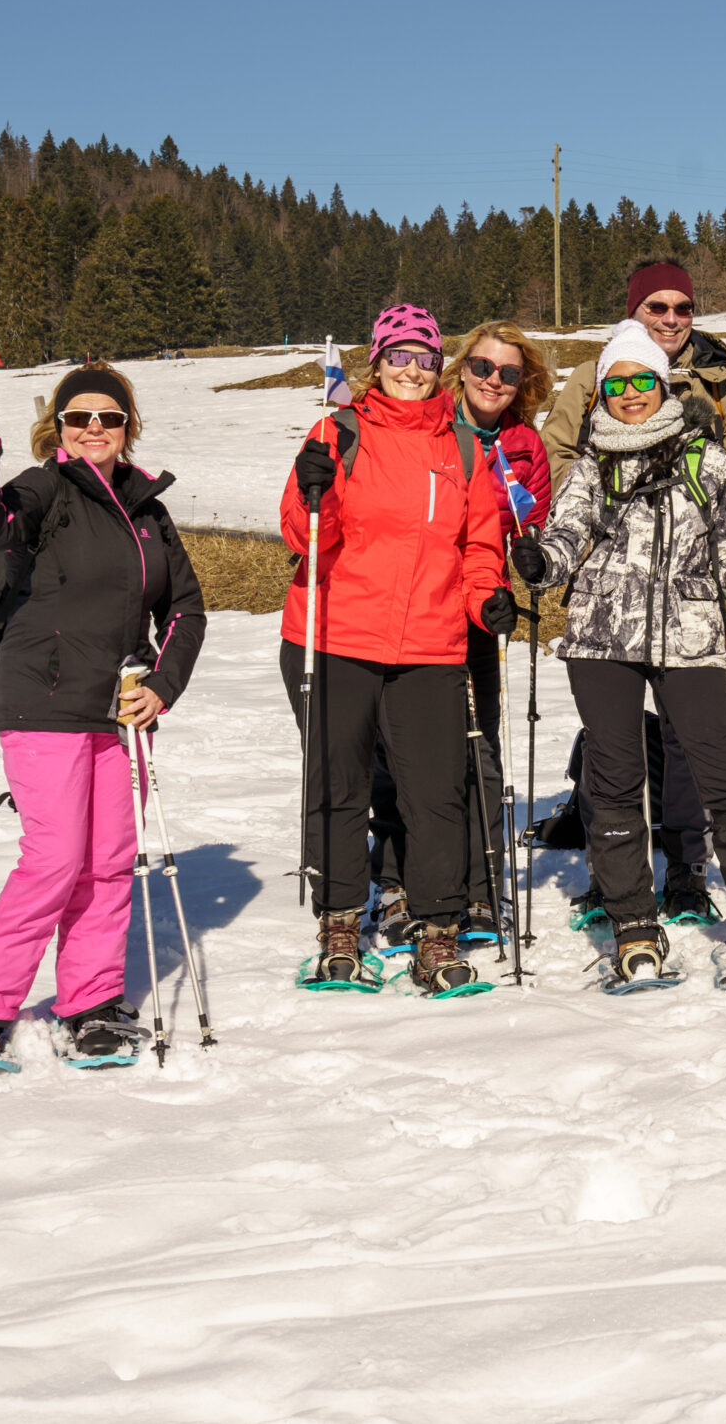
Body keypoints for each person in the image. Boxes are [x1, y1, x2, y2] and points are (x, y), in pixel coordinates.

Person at [0, 365, 207, 1080]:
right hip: (43, 702)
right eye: (80, 417)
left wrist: (162, 687)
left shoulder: (147, 508)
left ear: (127, 427)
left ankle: (93, 1003)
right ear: (59, 426)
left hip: (120, 709)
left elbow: (185, 608)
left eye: (109, 417)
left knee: (108, 862)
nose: (94, 429)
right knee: (53, 861)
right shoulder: (43, 488)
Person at [510, 319, 726, 989]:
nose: (630, 393)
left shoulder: (705, 458)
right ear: (601, 392)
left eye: (641, 380)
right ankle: (633, 920)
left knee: (723, 774)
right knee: (614, 780)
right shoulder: (590, 463)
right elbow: (567, 535)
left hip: (689, 634)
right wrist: (540, 562)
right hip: (601, 636)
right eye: (616, 384)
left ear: (661, 385)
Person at [278, 304, 511, 996]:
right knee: (339, 785)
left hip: (430, 642)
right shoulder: (337, 431)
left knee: (435, 793)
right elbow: (302, 536)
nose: (412, 369)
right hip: (335, 634)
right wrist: (316, 490)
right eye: (398, 356)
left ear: (440, 367)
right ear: (376, 363)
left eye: (425, 357)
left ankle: (437, 933)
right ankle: (340, 923)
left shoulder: (462, 447)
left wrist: (486, 599)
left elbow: (478, 546)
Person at [434, 320, 556, 940]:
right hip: (422, 609)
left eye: (508, 373)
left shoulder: (525, 445)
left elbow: (535, 524)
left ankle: (483, 888)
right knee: (417, 752)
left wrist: (531, 560)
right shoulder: (428, 426)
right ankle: (409, 882)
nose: (493, 381)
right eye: (482, 367)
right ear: (462, 370)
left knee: (480, 744)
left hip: (483, 607)